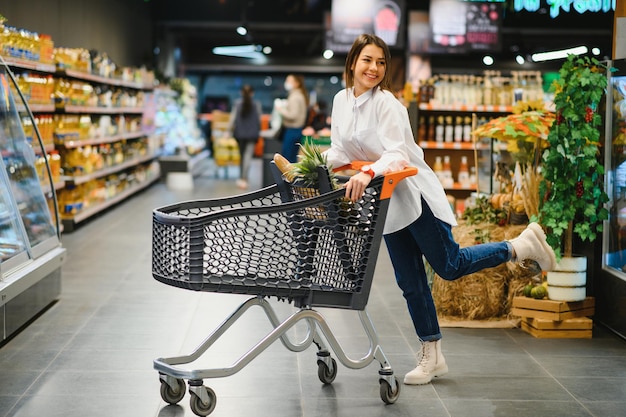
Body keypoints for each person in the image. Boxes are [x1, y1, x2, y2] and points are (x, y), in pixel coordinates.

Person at [323, 34, 557, 386]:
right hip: (386, 205)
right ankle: (432, 355)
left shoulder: (388, 105)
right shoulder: (341, 101)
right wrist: (311, 164)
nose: (374, 68)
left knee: (449, 266)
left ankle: (519, 247)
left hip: (415, 199)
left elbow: (396, 154)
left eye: (381, 62)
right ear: (353, 62)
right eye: (367, 60)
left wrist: (367, 172)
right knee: (410, 283)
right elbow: (339, 150)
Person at [229, 84, 261, 189]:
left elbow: (232, 119)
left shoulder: (237, 104)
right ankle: (244, 178)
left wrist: (228, 131)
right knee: (248, 156)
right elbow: (259, 120)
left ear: (241, 93)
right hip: (252, 134)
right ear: (252, 93)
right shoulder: (256, 104)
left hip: (240, 134)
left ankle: (241, 178)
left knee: (242, 156)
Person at [277, 74, 309, 162]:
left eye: (289, 81)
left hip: (292, 130)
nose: (286, 83)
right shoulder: (299, 95)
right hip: (296, 130)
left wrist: (280, 110)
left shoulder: (295, 97)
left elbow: (293, 115)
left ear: (297, 83)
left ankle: (289, 177)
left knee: (287, 160)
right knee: (292, 159)